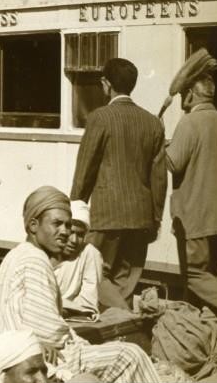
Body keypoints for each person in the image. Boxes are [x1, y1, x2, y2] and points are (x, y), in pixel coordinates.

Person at [0, 186, 159, 383]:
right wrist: (75, 344)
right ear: (34, 225)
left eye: (68, 225)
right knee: (129, 355)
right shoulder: (35, 261)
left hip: (13, 352)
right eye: (57, 224)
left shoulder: (17, 254)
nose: (65, 232)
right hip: (25, 360)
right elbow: (51, 335)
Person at [70, 58, 167, 311]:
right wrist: (156, 218)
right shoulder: (153, 123)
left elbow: (85, 170)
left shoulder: (99, 118)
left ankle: (119, 321)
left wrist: (75, 210)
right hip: (141, 216)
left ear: (106, 84)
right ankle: (120, 333)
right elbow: (159, 178)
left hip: (107, 215)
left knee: (94, 271)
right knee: (126, 280)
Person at [166, 71, 217, 316]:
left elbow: (173, 162)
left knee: (194, 274)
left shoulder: (189, 122)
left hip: (194, 217)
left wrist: (160, 142)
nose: (181, 98)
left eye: (182, 93)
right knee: (208, 274)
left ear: (190, 94)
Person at [55, 200, 102, 317]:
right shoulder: (43, 249)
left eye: (80, 235)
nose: (74, 240)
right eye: (71, 232)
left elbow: (88, 303)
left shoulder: (88, 253)